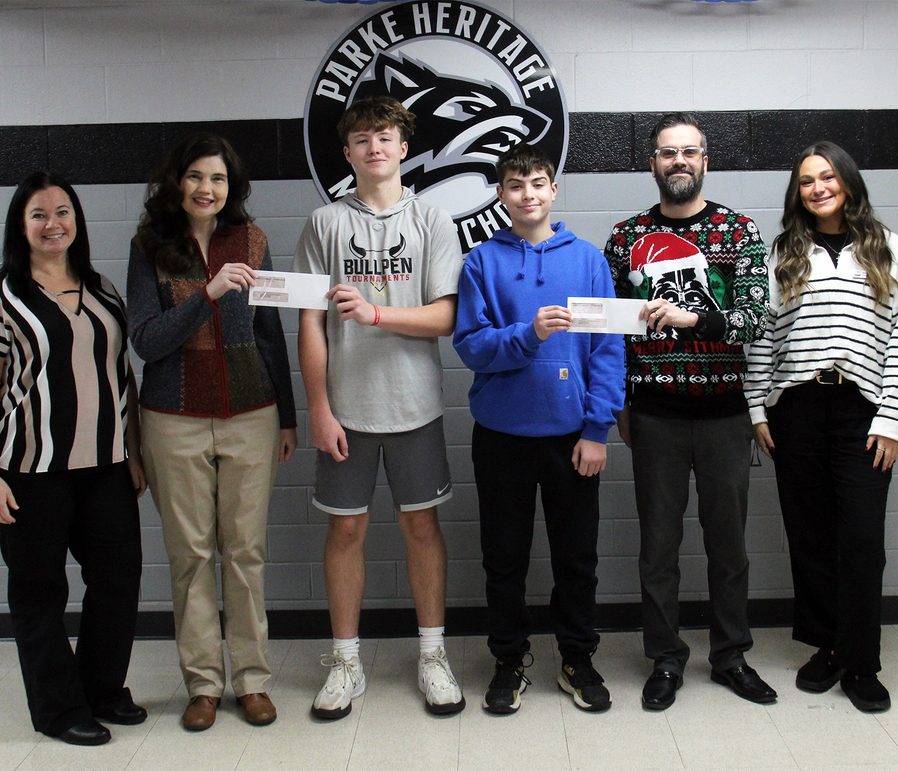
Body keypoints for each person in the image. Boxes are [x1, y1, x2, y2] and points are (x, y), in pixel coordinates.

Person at [293, 96, 465, 720]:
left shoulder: (433, 221)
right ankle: (345, 662)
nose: (374, 148)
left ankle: (432, 654)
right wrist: (318, 406)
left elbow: (445, 316)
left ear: (402, 147)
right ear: (348, 152)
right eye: (362, 139)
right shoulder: (324, 224)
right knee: (346, 528)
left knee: (421, 525)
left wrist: (374, 313)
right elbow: (309, 324)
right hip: (346, 409)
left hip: (415, 406)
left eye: (385, 137)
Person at [0, 172, 147, 746]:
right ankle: (58, 709)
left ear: (77, 221)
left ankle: (102, 691)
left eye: (63, 211)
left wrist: (134, 454)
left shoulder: (102, 289)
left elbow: (123, 379)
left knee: (117, 581)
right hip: (29, 471)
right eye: (39, 214)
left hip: (107, 468)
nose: (53, 224)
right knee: (40, 592)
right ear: (21, 225)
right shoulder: (0, 297)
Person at [604, 112, 775, 711]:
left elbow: (755, 319)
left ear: (705, 161)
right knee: (658, 545)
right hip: (654, 414)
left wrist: (692, 317)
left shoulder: (738, 232)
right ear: (652, 163)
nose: (678, 161)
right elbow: (613, 334)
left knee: (728, 544)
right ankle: (666, 660)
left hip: (725, 414)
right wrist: (620, 405)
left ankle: (731, 656)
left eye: (689, 152)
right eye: (666, 152)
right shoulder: (624, 239)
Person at [127, 133, 297, 731]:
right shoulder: (150, 246)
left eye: (218, 179)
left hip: (252, 412)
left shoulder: (252, 240)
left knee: (245, 552)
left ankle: (251, 681)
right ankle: (203, 685)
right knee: (191, 555)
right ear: (179, 183)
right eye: (197, 177)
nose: (207, 189)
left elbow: (271, 331)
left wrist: (289, 415)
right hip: (172, 417)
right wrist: (209, 293)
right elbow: (147, 340)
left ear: (232, 188)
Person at [745, 142, 898, 713]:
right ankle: (826, 649)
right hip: (795, 409)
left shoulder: (886, 245)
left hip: (862, 413)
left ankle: (861, 662)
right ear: (797, 193)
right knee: (812, 538)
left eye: (827, 177)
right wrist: (756, 408)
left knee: (863, 543)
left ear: (847, 181)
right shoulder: (784, 251)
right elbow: (763, 335)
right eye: (806, 181)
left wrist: (892, 419)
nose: (817, 188)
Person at [453, 144, 625, 714]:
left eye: (538, 183)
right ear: (500, 195)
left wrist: (597, 429)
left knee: (577, 559)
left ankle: (577, 657)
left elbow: (607, 351)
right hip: (501, 436)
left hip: (573, 438)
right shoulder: (481, 262)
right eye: (515, 184)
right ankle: (508, 660)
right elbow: (472, 347)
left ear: (553, 190)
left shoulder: (588, 260)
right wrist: (527, 335)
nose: (527, 194)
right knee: (504, 559)